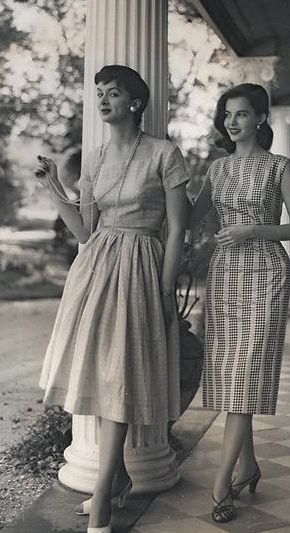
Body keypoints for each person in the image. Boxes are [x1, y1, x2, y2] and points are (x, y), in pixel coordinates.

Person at [35, 64, 189, 533]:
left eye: (113, 93)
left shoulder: (164, 153)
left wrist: (166, 288)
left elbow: (179, 226)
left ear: (135, 103)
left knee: (123, 375)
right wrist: (53, 187)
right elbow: (84, 231)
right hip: (96, 271)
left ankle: (102, 490)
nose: (103, 100)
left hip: (142, 267)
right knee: (102, 375)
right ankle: (116, 476)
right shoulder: (96, 160)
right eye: (99, 92)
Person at [190, 83, 290, 523]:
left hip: (266, 274)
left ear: (260, 118)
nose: (231, 122)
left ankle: (221, 484)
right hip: (223, 277)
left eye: (240, 114)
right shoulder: (217, 169)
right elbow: (193, 211)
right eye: (227, 115)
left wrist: (250, 231)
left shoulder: (279, 167)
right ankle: (248, 466)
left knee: (245, 373)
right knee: (233, 377)